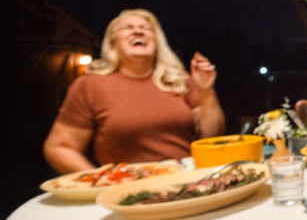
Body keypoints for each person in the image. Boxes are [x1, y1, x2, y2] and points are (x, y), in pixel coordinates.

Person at [44, 9, 226, 174]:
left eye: (146, 28)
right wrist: (101, 183)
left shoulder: (180, 80)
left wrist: (206, 91)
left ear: (157, 42)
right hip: (129, 191)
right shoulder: (89, 85)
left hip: (187, 182)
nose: (138, 31)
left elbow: (212, 137)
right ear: (113, 43)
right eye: (128, 27)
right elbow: (60, 148)